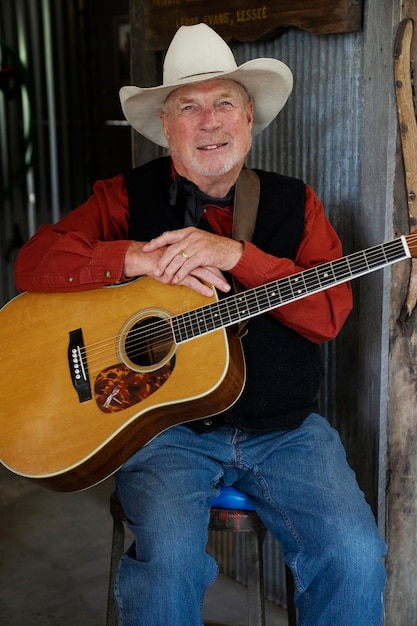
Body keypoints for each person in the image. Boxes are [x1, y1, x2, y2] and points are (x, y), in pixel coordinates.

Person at [14, 23, 386, 626]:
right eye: (190, 107)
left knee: (355, 555)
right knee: (168, 569)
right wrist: (135, 257)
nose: (209, 122)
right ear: (166, 126)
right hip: (167, 434)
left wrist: (238, 257)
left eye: (223, 104)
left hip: (285, 430)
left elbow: (328, 315)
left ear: (247, 118)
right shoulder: (122, 199)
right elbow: (33, 263)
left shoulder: (299, 203)